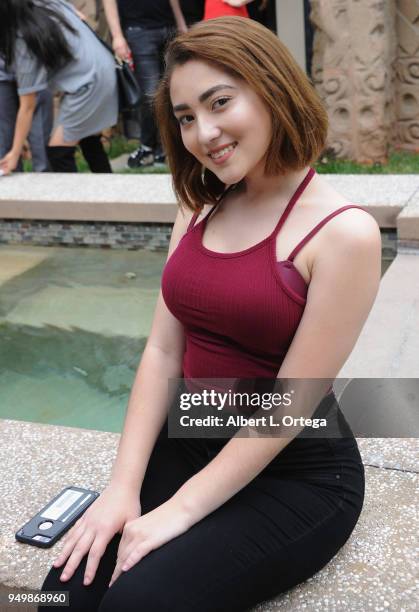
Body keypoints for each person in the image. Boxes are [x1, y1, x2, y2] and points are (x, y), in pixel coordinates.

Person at [39, 17, 381, 611]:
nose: (205, 132)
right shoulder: (198, 206)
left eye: (220, 102)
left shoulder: (343, 234)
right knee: (60, 595)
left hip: (295, 470)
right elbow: (163, 351)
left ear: (272, 88)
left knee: (135, 603)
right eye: (186, 116)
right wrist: (122, 490)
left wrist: (176, 512)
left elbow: (287, 404)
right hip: (193, 433)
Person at [0, 0, 118, 175]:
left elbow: (27, 106)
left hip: (87, 85)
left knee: (58, 153)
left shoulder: (24, 40)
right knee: (88, 139)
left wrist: (14, 153)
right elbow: (81, 16)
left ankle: (74, 200)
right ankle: (110, 192)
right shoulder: (49, 5)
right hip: (105, 70)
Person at [103, 0, 187, 169]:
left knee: (175, 91)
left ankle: (166, 148)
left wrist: (181, 25)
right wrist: (117, 36)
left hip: (168, 27)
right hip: (138, 31)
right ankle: (149, 147)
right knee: (150, 95)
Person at [0, 57, 53, 172]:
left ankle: (45, 184)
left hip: (35, 70)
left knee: (41, 147)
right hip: (2, 77)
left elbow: (27, 107)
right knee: (4, 147)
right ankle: (11, 187)